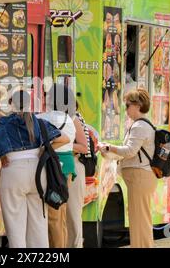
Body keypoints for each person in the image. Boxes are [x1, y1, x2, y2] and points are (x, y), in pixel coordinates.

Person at [0, 90, 70, 248]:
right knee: (39, 223)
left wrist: (2, 155)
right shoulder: (39, 122)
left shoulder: (4, 123)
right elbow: (64, 138)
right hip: (38, 174)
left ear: (11, 104)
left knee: (15, 226)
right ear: (29, 104)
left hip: (12, 172)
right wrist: (42, 150)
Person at [98, 88, 157, 248]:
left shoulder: (139, 126)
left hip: (140, 177)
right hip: (141, 177)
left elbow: (130, 151)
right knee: (139, 219)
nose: (126, 109)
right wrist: (110, 151)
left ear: (138, 105)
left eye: (128, 105)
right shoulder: (142, 125)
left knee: (139, 220)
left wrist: (110, 147)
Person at [37, 84, 88, 248]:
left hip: (54, 168)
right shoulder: (69, 118)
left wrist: (61, 146)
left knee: (54, 216)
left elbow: (83, 146)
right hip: (66, 169)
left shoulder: (51, 117)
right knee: (61, 216)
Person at [66, 100, 92, 248]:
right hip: (66, 165)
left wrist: (60, 144)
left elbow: (83, 147)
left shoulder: (74, 117)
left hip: (74, 165)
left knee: (73, 213)